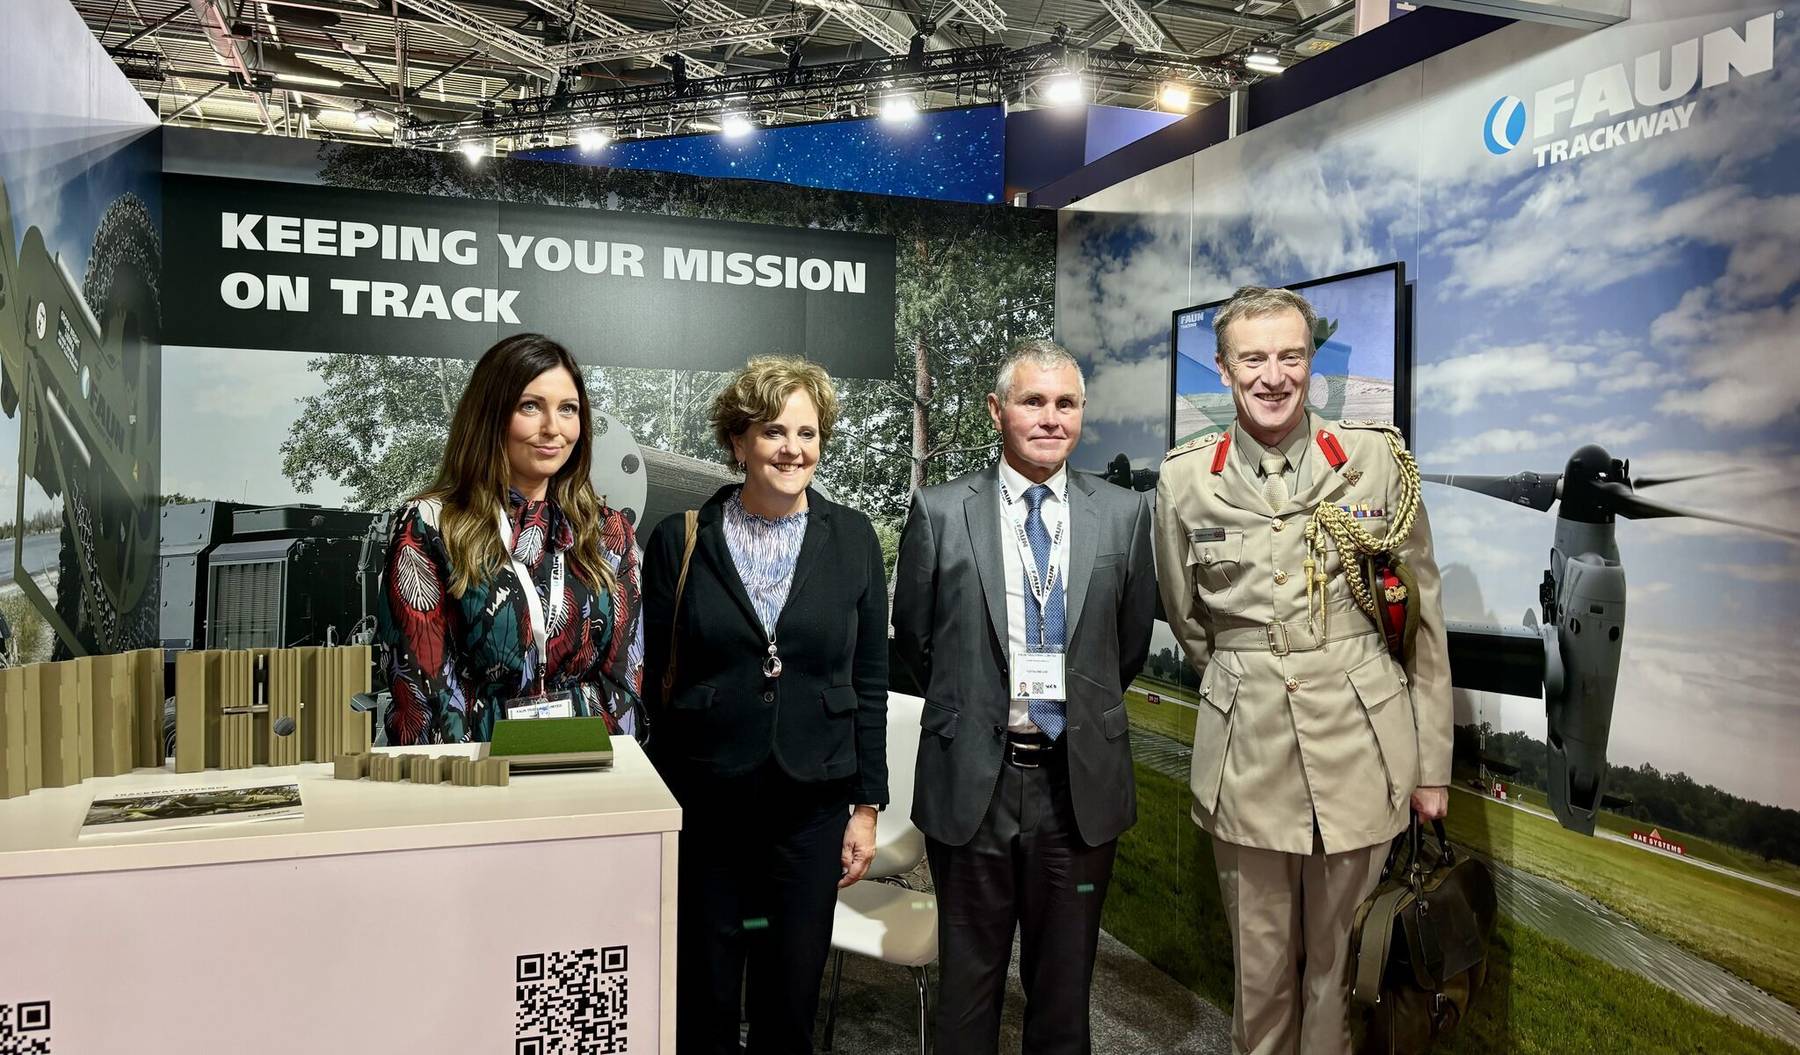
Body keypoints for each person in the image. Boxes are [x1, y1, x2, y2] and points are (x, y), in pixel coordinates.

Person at [1152, 286, 1451, 1055]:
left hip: (1361, 750)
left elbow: (1421, 624)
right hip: (1246, 755)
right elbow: (1191, 620)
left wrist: (1432, 769)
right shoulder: (1186, 479)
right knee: (1259, 976)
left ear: (1311, 362)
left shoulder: (1375, 461)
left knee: (1339, 974)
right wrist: (1249, 673)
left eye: (1291, 356)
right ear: (1225, 368)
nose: (1274, 375)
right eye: (1253, 358)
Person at [892, 339, 1156, 1055]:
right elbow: (915, 640)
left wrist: (1074, 713)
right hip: (973, 781)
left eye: (1066, 403)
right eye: (1032, 401)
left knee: (1064, 1000)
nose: (1050, 418)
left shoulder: (1124, 515)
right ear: (996, 409)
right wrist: (976, 708)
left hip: (1077, 787)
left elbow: (1127, 646)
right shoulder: (941, 511)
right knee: (967, 997)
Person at [641, 355, 888, 1055]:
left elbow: (870, 679)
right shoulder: (681, 538)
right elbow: (653, 677)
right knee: (704, 1000)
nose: (792, 449)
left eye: (807, 433)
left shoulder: (854, 539)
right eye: (774, 431)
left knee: (789, 1004)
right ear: (739, 440)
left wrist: (867, 806)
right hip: (706, 800)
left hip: (812, 806)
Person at [377, 333, 642, 745]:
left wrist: (601, 761)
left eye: (568, 409)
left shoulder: (608, 531)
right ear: (491, 414)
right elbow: (424, 700)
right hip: (472, 771)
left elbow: (624, 682)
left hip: (588, 762)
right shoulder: (430, 526)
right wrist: (487, 772)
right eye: (530, 406)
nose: (553, 428)